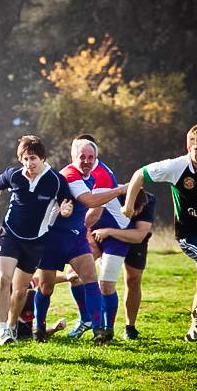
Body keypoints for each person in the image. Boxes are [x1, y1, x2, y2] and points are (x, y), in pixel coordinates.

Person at [123, 123, 197, 342]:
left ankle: (194, 333)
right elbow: (140, 174)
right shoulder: (175, 167)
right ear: (189, 147)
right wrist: (129, 206)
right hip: (190, 234)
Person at [36, 138, 127, 344]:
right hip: (53, 239)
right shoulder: (69, 175)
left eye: (90, 157)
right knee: (46, 287)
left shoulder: (93, 175)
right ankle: (39, 329)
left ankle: (98, 330)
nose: (86, 161)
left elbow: (95, 207)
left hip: (75, 239)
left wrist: (84, 229)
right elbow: (91, 201)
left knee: (90, 278)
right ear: (72, 157)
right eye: (82, 157)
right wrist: (122, 190)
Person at [0, 135, 74, 345]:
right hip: (9, 235)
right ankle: (2, 331)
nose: (29, 164)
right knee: (3, 279)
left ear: (43, 158)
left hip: (36, 241)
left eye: (33, 158)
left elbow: (67, 204)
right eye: (25, 159)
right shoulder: (14, 175)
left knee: (20, 291)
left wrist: (65, 210)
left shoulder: (55, 180)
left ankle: (12, 326)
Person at [92, 190, 156, 340]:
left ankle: (130, 327)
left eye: (139, 210)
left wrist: (109, 231)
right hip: (107, 241)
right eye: (134, 209)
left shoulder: (148, 199)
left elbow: (139, 235)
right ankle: (100, 325)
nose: (137, 213)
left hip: (132, 240)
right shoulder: (110, 196)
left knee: (133, 279)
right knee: (103, 281)